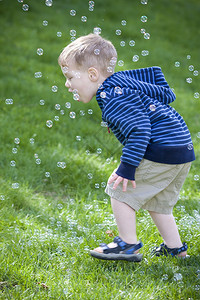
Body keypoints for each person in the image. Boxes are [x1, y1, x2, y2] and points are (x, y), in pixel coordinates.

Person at [58, 33, 195, 262]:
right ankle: (176, 250)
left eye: (70, 77)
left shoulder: (111, 95)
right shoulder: (121, 87)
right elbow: (141, 120)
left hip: (160, 150)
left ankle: (127, 244)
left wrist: (127, 167)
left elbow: (140, 131)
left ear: (92, 74)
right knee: (159, 204)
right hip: (181, 150)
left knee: (119, 191)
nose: (67, 84)